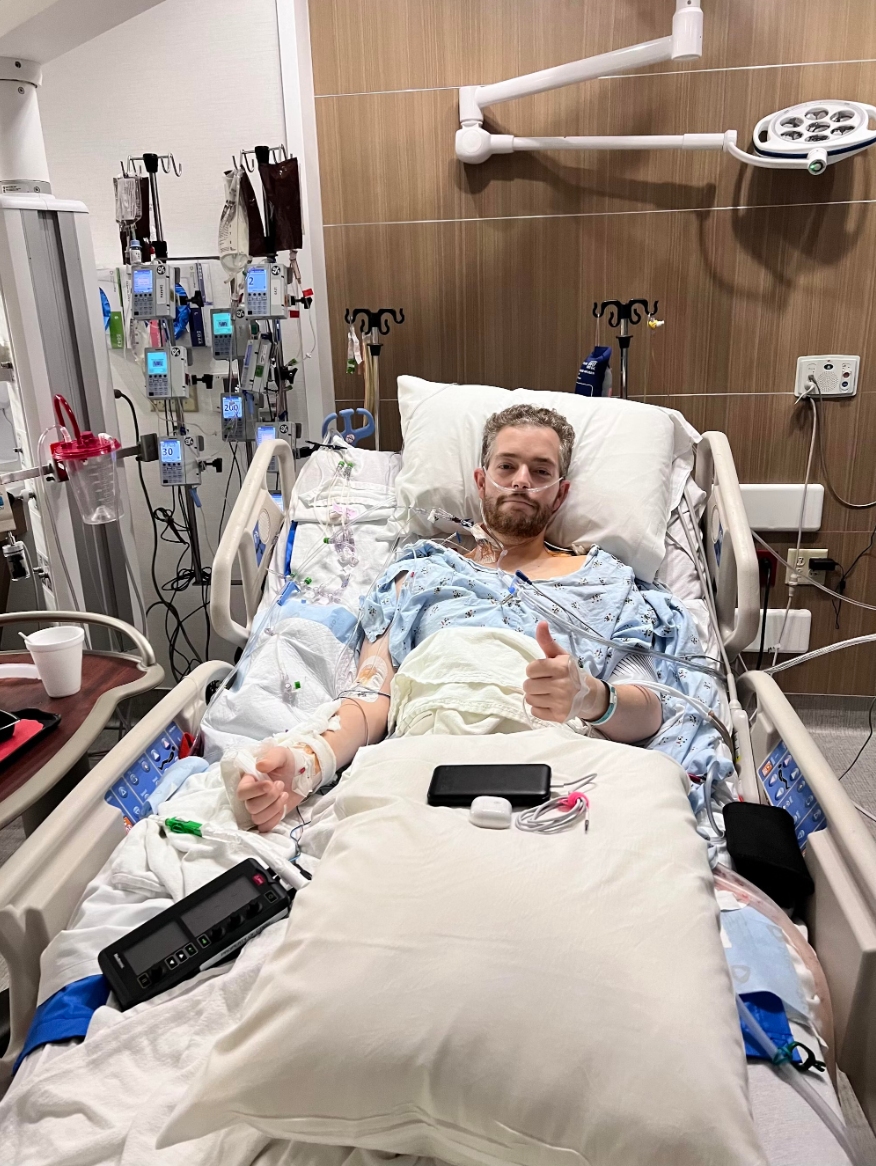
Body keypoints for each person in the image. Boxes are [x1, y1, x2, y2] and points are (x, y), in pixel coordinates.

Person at [238, 405, 672, 831]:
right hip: (425, 763)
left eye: (541, 471)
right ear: (482, 482)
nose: (522, 480)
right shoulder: (420, 572)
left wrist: (589, 696)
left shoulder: (606, 581)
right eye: (507, 466)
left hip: (555, 770)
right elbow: (371, 697)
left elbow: (649, 712)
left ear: (560, 493)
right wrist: (306, 764)